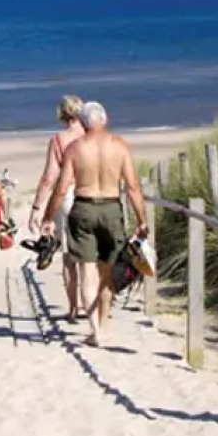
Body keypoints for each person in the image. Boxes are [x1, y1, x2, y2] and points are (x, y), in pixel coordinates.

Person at [41, 101, 147, 348]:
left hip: (84, 207)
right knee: (107, 270)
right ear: (105, 119)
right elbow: (132, 188)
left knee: (87, 271)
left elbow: (61, 188)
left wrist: (48, 217)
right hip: (111, 207)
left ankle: (95, 330)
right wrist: (142, 220)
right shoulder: (119, 146)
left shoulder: (75, 148)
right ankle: (104, 324)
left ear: (84, 123)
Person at [27, 94, 86, 322]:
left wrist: (37, 208)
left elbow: (49, 178)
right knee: (91, 256)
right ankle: (93, 306)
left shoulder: (59, 140)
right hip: (92, 193)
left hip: (68, 196)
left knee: (69, 256)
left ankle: (74, 308)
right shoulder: (90, 136)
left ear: (62, 114)